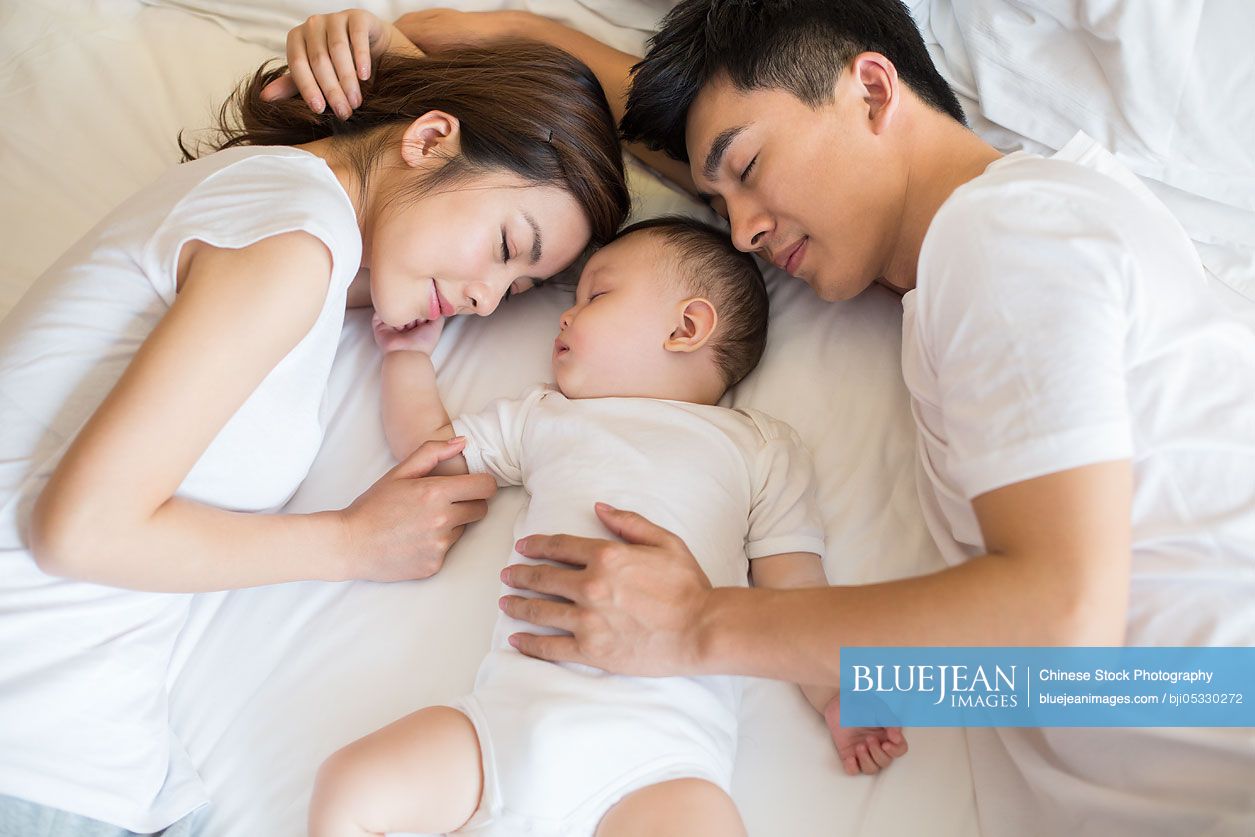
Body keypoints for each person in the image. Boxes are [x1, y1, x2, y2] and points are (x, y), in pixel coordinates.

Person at [278, 2, 1255, 834]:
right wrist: (403, 64)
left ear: (872, 92)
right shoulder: (977, 257)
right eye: (716, 195)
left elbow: (1060, 622)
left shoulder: (1005, 240)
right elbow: (1087, 673)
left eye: (747, 169)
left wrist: (702, 625)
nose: (739, 229)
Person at [0, 40, 629, 836]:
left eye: (518, 291)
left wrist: (381, 61)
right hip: (34, 749)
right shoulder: (291, 245)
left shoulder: (292, 223)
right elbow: (79, 532)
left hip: (95, 754)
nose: (484, 297)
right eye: (507, 248)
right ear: (430, 139)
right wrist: (351, 543)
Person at [309, 216, 907, 837]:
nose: (563, 317)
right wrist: (406, 359)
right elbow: (435, 457)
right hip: (507, 726)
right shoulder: (548, 416)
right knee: (349, 787)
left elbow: (794, 593)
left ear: (686, 327)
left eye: (595, 296)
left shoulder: (757, 449)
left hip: (659, 759)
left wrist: (838, 695)